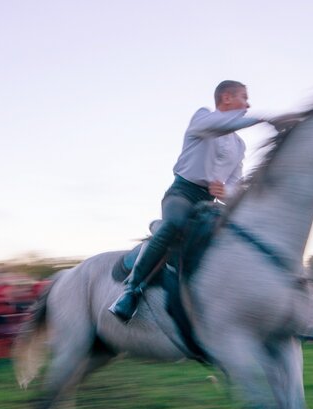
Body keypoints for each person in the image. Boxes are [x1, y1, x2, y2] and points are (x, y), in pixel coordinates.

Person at [109, 80, 265, 322]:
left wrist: (227, 192)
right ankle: (132, 289)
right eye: (244, 97)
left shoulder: (239, 145)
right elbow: (220, 125)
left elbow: (236, 180)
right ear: (226, 98)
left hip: (210, 203)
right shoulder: (202, 118)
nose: (248, 103)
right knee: (174, 225)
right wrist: (263, 118)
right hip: (182, 194)